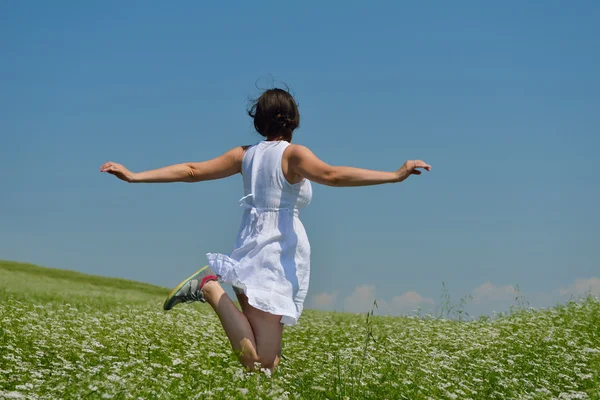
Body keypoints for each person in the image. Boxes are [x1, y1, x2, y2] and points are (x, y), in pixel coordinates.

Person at [100, 87, 431, 372]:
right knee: (259, 362)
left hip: (253, 245)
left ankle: (212, 291)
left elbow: (191, 170)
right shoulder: (294, 154)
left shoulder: (244, 155)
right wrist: (395, 174)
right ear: (293, 120)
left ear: (259, 121)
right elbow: (331, 175)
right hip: (273, 254)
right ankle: (209, 287)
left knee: (267, 365)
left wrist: (135, 175)